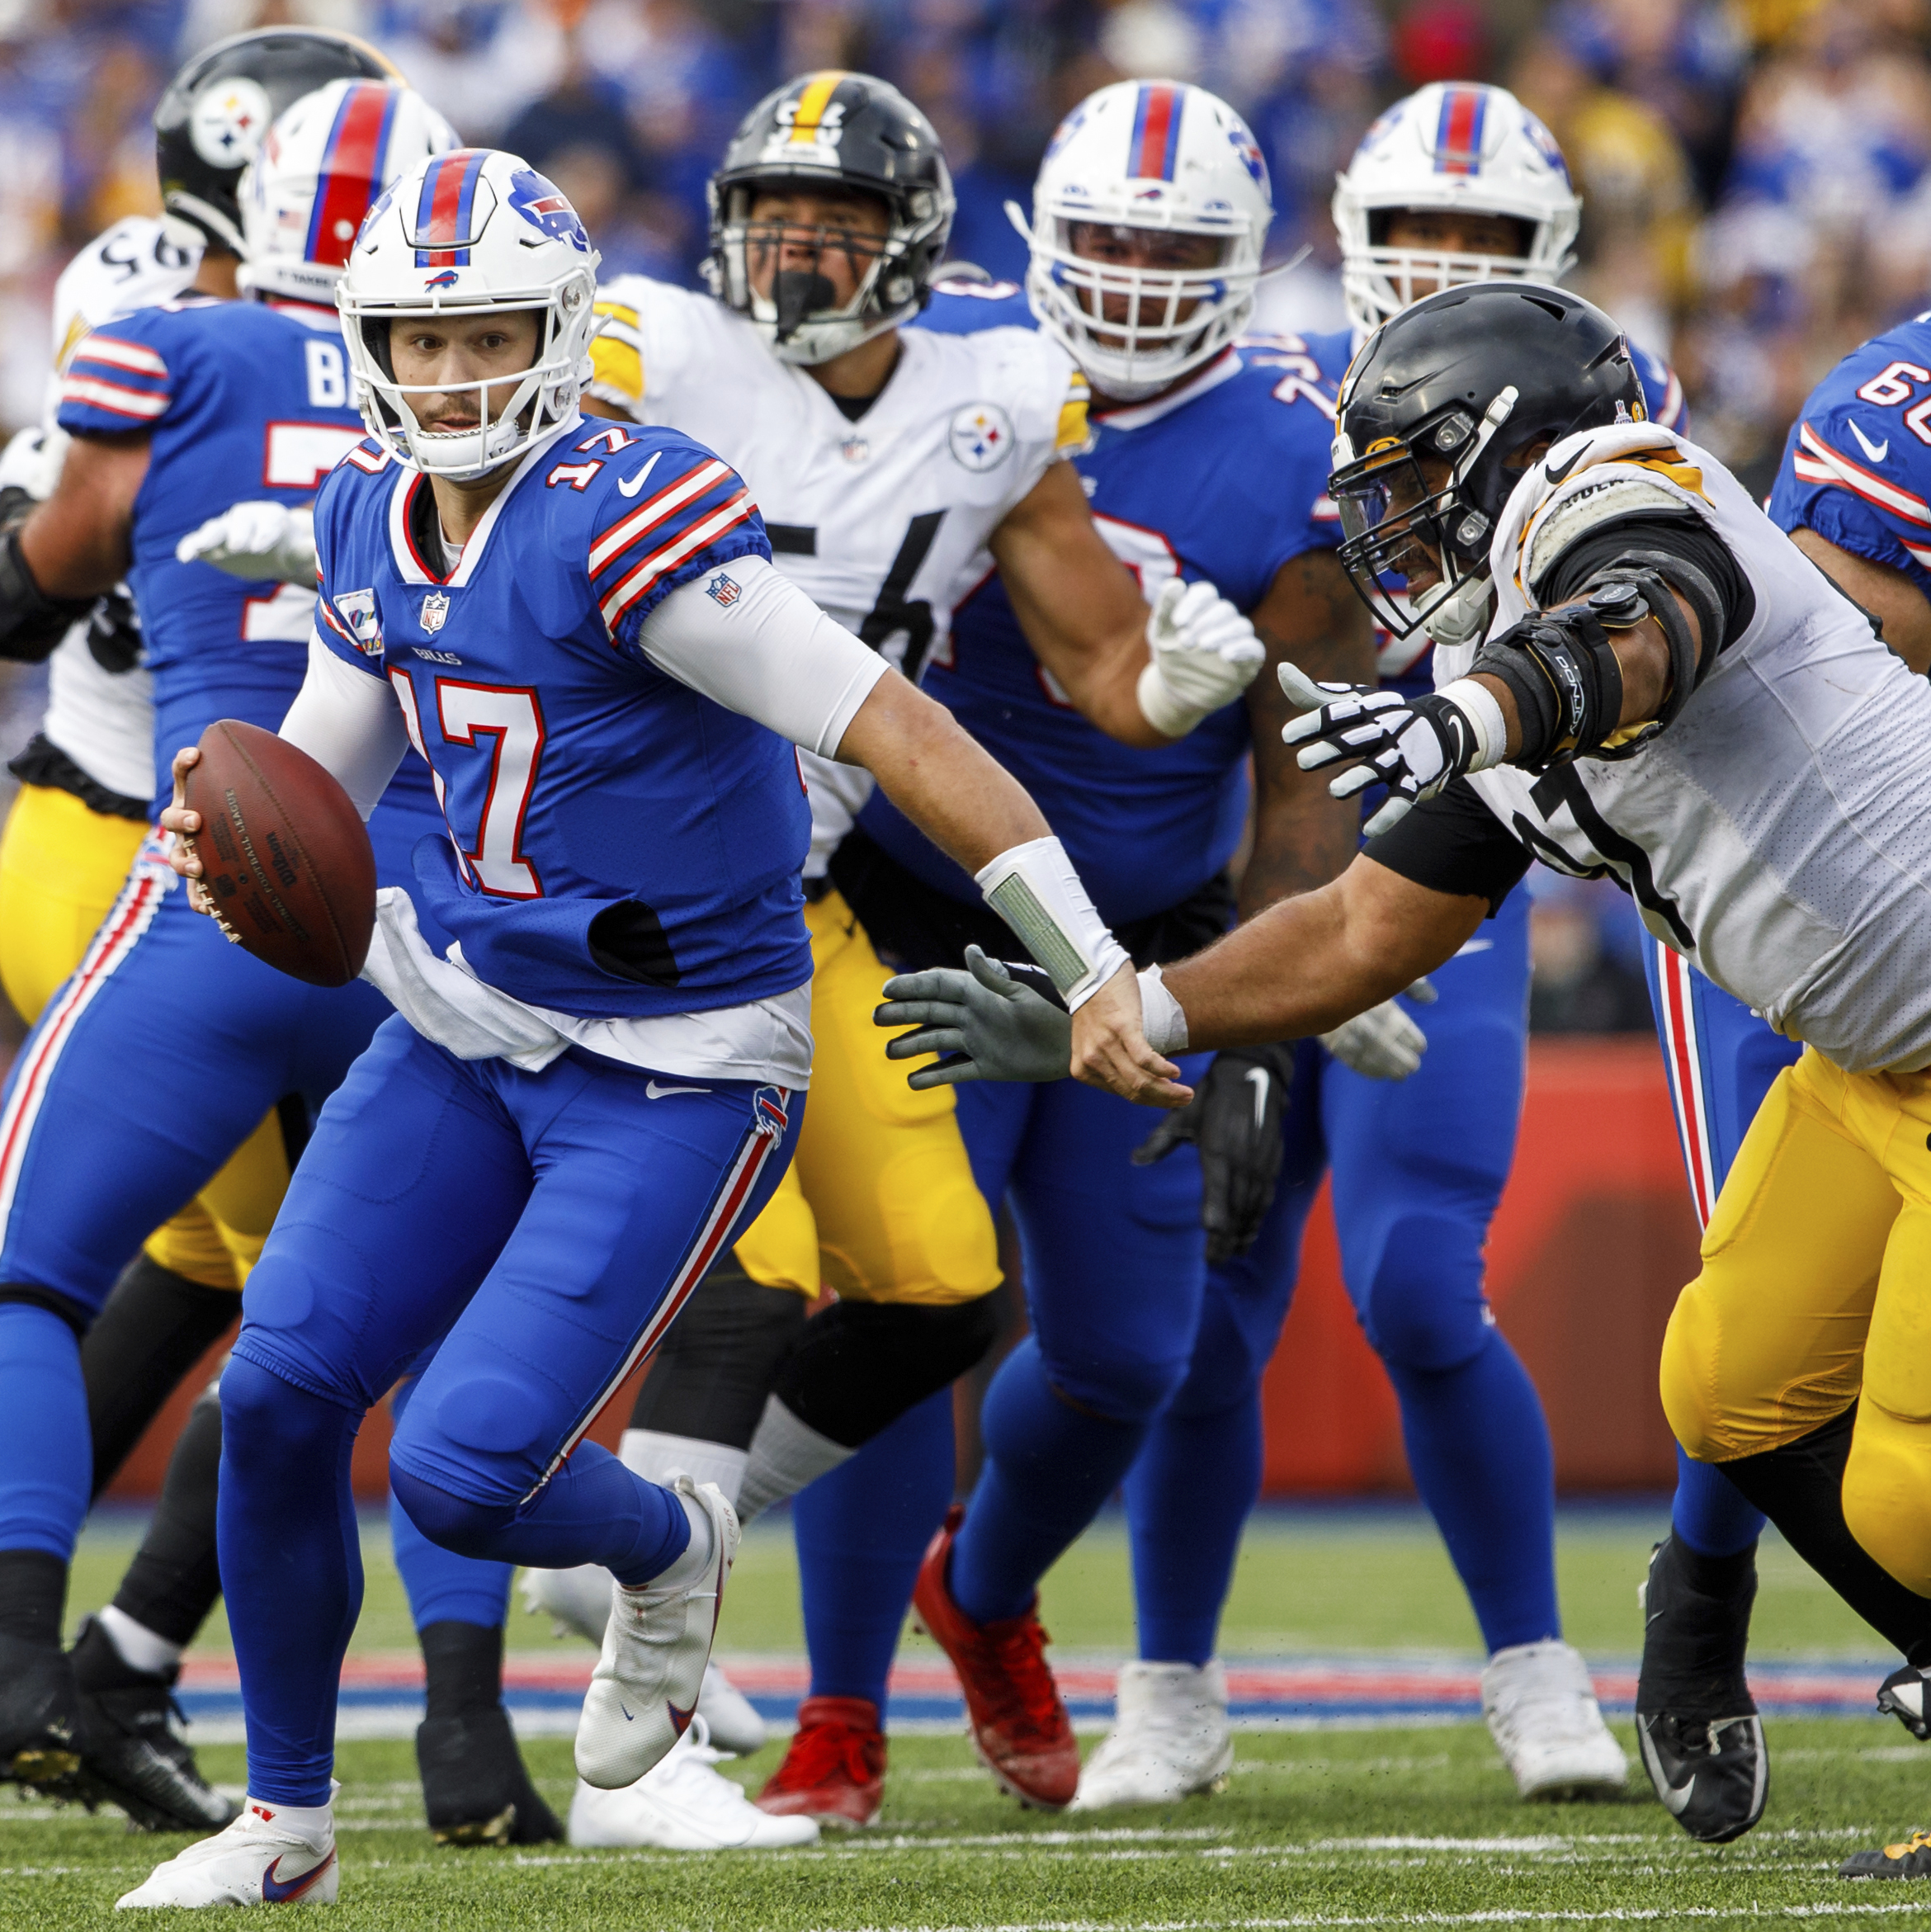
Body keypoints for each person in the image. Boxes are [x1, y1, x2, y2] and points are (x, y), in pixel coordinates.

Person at [115, 145, 1167, 1913]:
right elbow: (318, 771)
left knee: (459, 1470)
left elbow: (893, 727)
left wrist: (1088, 961)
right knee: (281, 1399)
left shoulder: (628, 511)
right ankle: (283, 1821)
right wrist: (221, 837)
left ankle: (675, 1542)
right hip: (465, 1020)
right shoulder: (373, 508)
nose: (448, 378)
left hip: (672, 1061)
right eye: (419, 343)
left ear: (558, 333)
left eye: (488, 338)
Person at [876, 279, 1931, 1882]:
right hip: (1875, 1060)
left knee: (1911, 1486)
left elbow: (1644, 618)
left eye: (1405, 480)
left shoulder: (1622, 493)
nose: (1384, 526)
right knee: (1728, 1382)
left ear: (1503, 449)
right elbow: (1358, 927)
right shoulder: (1495, 679)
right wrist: (1134, 1005)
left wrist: (1473, 711)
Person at [352, 70, 1263, 1836]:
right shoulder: (644, 353)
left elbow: (1090, 668)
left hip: (799, 883)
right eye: (771, 225)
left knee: (940, 1280)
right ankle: (657, 1719)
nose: (792, 260)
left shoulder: (995, 398)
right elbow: (463, 429)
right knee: (746, 1272)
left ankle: (641, 1549)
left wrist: (1170, 689)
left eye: (833, 231)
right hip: (608, 888)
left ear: (912, 247)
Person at [0, 75, 462, 1842]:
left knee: (23, 1270)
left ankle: (14, 1639)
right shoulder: (519, 389)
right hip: (433, 915)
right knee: (362, 1355)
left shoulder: (167, 347)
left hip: (222, 869)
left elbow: (20, 589)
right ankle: (454, 1732)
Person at [1074, 80, 1651, 1816]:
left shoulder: (1604, 400)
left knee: (1413, 1284)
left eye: (1485, 243)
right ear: (1348, 241)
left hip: (1455, 887)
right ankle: (1165, 1684)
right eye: (1420, 238)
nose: (1447, 269)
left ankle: (1536, 1668)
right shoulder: (1271, 403)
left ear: (1548, 256)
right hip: (1264, 887)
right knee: (1205, 1308)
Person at [846, 78, 1375, 1814]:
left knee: (1131, 1352)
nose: (1138, 279)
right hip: (912, 899)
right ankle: (829, 1719)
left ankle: (978, 1592)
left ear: (1248, 261)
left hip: (1138, 936)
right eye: (1107, 243)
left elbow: (1303, 773)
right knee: (903, 1299)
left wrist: (1262, 1033)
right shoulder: (945, 356)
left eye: (1174, 249)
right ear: (1033, 244)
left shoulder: (1299, 442)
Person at [1618, 309, 1931, 1848]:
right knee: (1741, 1355)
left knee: (1907, 1479)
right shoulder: (1885, 412)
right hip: (1805, 940)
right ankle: (1697, 1615)